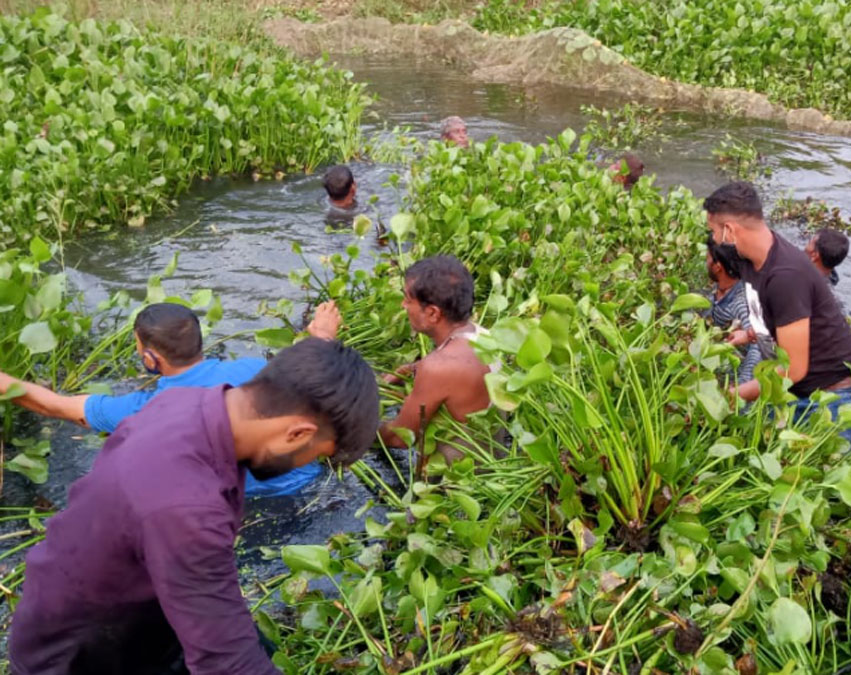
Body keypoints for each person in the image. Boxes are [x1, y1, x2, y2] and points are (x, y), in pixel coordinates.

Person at [9, 338, 380, 675]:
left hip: (129, 603)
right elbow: (225, 664)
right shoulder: (187, 509)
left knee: (258, 647)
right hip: (80, 656)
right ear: (297, 434)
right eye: (316, 456)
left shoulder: (185, 400)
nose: (305, 465)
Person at [0, 301, 342, 497]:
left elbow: (52, 405)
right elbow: (311, 374)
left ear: (150, 359)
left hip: (248, 502)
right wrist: (322, 336)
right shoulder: (256, 368)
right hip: (311, 483)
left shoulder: (148, 409)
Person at [705, 182, 851, 446]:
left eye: (714, 231)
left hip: (832, 397)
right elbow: (776, 316)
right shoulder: (754, 258)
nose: (713, 239)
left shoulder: (785, 276)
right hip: (794, 389)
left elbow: (793, 369)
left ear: (729, 230)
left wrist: (734, 393)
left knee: (820, 483)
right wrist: (748, 335)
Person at [378, 255, 492, 464]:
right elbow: (461, 370)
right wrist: (412, 369)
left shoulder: (438, 368)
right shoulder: (485, 336)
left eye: (408, 299)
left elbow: (400, 437)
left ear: (432, 313)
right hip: (489, 465)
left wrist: (356, 432)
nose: (403, 305)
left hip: (452, 486)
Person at [706, 235, 763, 385]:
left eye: (708, 258)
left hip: (731, 372)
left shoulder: (741, 303)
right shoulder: (724, 284)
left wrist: (739, 391)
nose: (706, 263)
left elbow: (758, 347)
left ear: (717, 267)